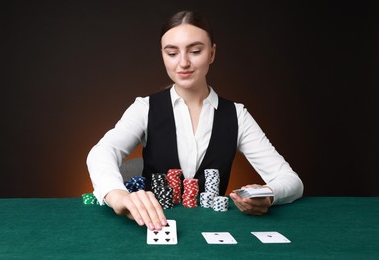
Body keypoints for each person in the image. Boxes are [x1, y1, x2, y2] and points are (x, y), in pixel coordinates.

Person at [86, 10, 304, 231]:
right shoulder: (145, 108)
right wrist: (117, 195)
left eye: (195, 51)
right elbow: (102, 152)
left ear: (211, 53)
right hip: (154, 228)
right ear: (162, 55)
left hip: (213, 231)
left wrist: (268, 196)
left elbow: (291, 181)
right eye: (172, 53)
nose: (183, 63)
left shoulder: (237, 115)